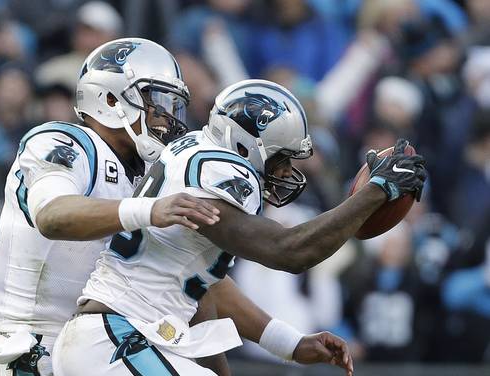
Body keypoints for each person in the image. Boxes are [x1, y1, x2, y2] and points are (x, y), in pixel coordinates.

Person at [0, 39, 354, 376]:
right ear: (111, 99)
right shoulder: (64, 142)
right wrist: (148, 210)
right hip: (36, 350)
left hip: (113, 344)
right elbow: (54, 216)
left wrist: (285, 341)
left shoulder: (154, 170)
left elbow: (197, 281)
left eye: (172, 105)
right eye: (157, 103)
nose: (168, 118)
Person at [52, 79, 425, 375]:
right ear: (247, 146)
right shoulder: (220, 171)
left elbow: (202, 291)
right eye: (281, 160)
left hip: (129, 339)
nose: (284, 173)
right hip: (116, 339)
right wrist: (377, 192)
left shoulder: (195, 155)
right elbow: (289, 250)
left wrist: (288, 344)